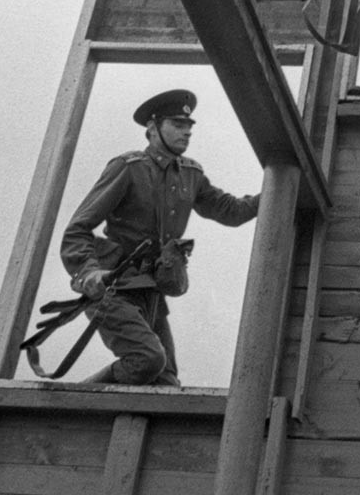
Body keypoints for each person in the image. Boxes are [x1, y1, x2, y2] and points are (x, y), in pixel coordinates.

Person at [61, 90, 260, 385]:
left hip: (152, 292)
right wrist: (90, 274)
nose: (187, 132)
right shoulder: (128, 168)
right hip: (114, 289)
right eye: (178, 125)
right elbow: (77, 229)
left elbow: (231, 211)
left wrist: (277, 190)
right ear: (153, 129)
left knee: (166, 381)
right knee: (148, 360)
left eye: (189, 126)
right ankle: (70, 401)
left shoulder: (190, 175)